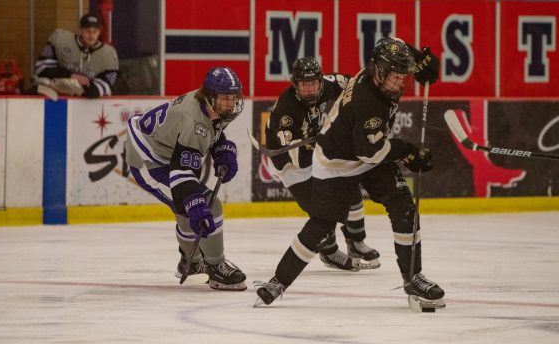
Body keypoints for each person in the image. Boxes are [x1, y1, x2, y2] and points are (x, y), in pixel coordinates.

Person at [255, 37, 444, 308]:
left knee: (404, 206)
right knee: (322, 224)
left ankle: (413, 278)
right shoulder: (368, 103)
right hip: (336, 164)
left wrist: (421, 61)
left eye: (404, 76)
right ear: (378, 71)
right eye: (395, 77)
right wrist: (407, 151)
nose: (400, 84)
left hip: (364, 150)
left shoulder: (379, 71)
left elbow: (395, 43)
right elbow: (371, 152)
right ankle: (278, 281)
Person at [124, 67, 247, 291]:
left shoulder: (211, 106)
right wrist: (194, 201)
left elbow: (214, 129)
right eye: (225, 98)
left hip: (164, 149)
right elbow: (182, 172)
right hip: (149, 159)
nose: (230, 103)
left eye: (233, 98)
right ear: (210, 96)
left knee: (188, 207)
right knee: (208, 204)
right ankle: (216, 267)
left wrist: (221, 149)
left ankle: (190, 264)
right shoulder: (194, 123)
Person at [264, 56, 380, 271]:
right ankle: (329, 252)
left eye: (313, 84)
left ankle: (356, 243)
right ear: (295, 85)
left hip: (317, 148)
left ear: (320, 81)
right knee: (321, 210)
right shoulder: (286, 111)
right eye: (304, 85)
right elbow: (298, 157)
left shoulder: (329, 84)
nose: (309, 89)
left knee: (349, 188)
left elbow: (356, 85)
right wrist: (327, 144)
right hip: (289, 161)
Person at [33, 13, 118, 98]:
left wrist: (86, 89)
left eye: (95, 31)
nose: (91, 35)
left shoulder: (108, 54)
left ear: (99, 32)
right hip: (52, 96)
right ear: (80, 30)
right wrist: (72, 76)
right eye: (87, 31)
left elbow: (107, 84)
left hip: (86, 103)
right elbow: (41, 68)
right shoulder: (60, 39)